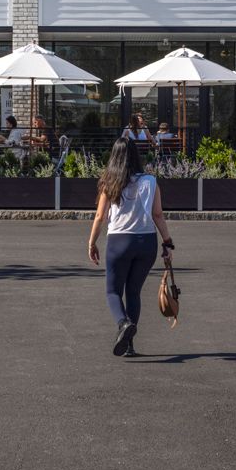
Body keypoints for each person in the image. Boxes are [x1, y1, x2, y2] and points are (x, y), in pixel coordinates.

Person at [86, 136, 174, 358]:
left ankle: (123, 323)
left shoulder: (109, 181)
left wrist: (92, 242)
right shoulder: (150, 181)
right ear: (136, 156)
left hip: (119, 241)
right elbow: (158, 215)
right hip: (147, 241)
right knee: (133, 292)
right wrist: (167, 242)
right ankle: (129, 346)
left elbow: (100, 216)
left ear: (114, 157)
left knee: (112, 291)